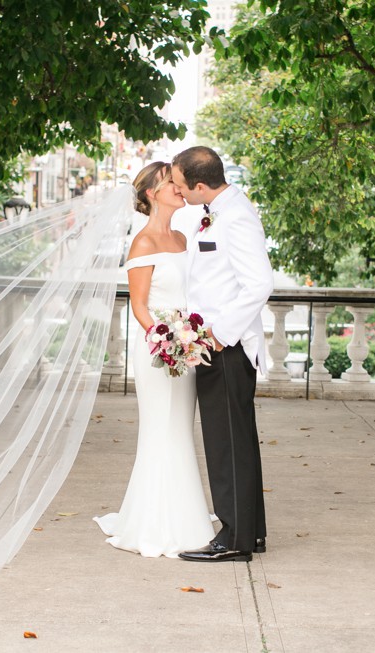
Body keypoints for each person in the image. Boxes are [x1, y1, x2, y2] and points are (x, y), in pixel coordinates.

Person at [93, 162, 215, 558]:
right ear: (151, 193)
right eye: (171, 183)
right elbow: (140, 306)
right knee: (160, 430)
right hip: (159, 353)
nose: (180, 188)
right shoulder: (142, 243)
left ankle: (186, 516)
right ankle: (154, 523)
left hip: (186, 350)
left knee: (180, 429)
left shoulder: (182, 238)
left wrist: (191, 339)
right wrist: (165, 340)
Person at [171, 146, 274, 563]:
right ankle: (251, 532)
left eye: (180, 185)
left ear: (199, 185)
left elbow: (259, 284)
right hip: (215, 343)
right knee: (237, 440)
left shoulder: (236, 216)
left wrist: (217, 334)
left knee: (226, 443)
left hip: (226, 348)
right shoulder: (217, 209)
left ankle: (233, 538)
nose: (177, 192)